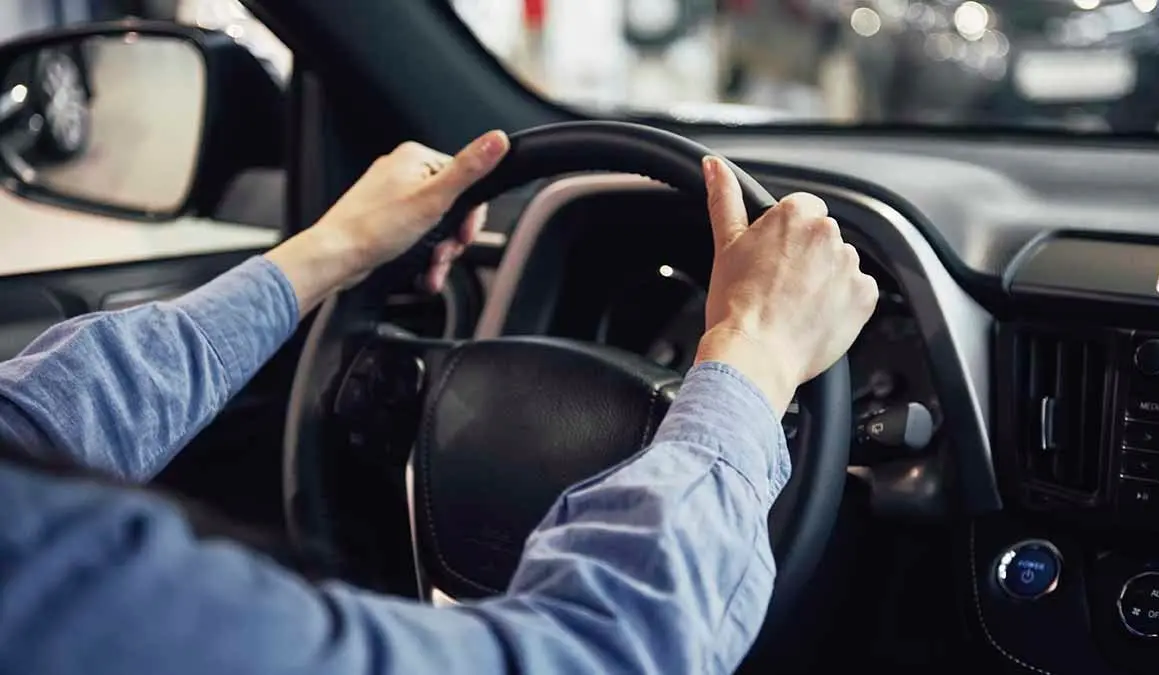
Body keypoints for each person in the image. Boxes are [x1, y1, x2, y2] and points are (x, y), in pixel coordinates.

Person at [0, 129, 878, 674]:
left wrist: (329, 252)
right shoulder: (69, 596)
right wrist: (751, 359)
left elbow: (33, 422)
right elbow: (593, 653)